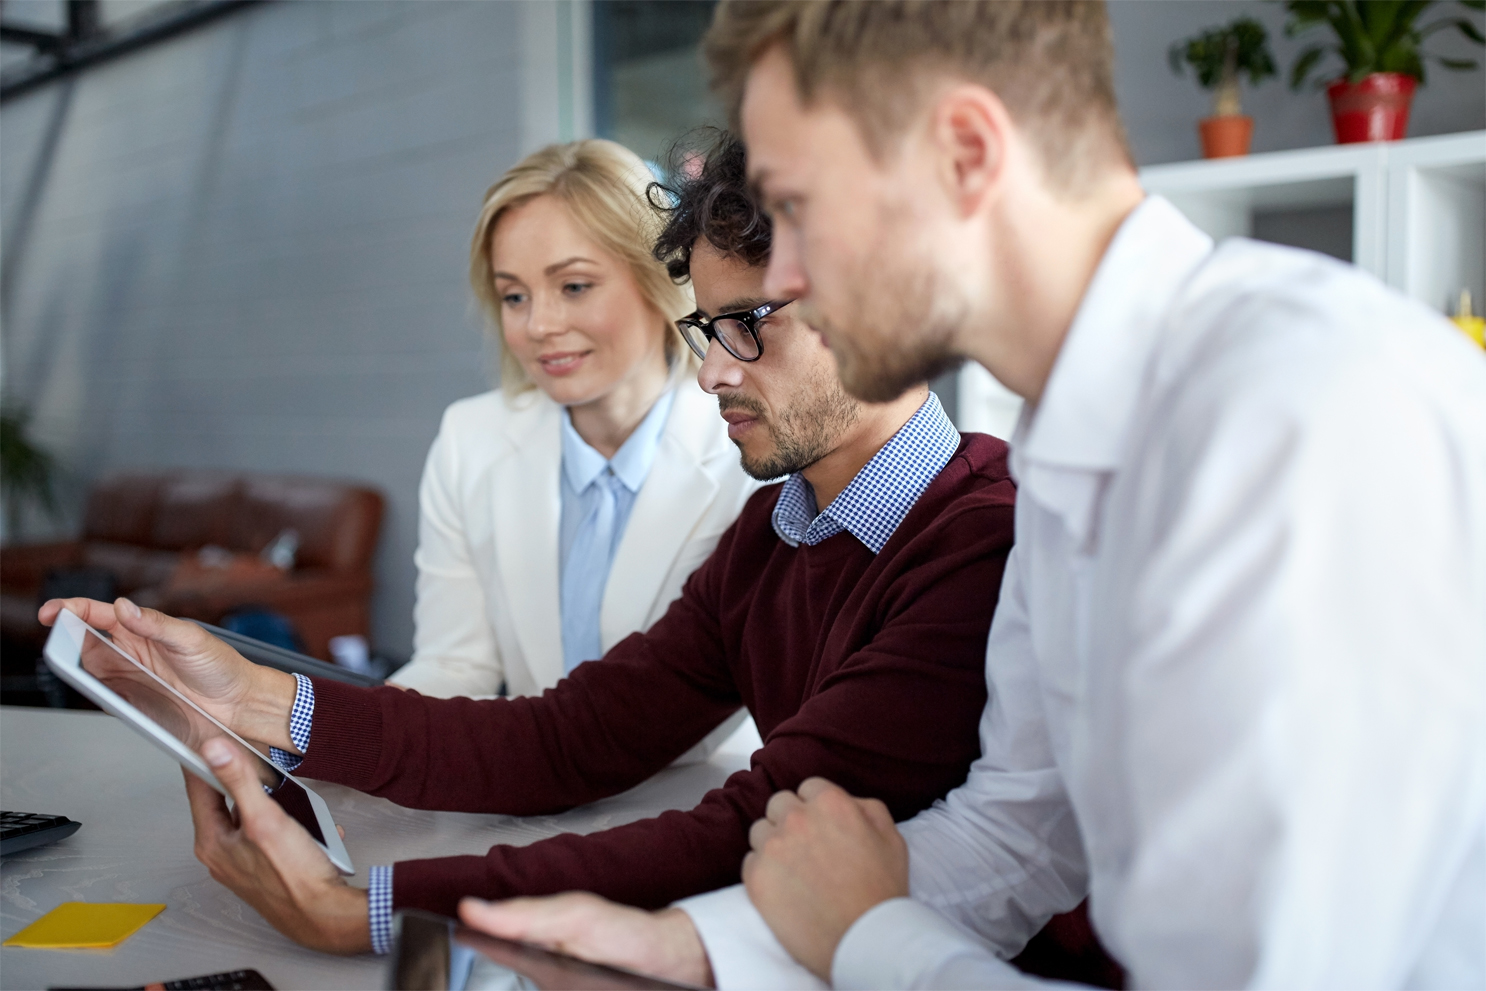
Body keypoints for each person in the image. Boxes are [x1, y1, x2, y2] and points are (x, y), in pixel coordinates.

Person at [458, 2, 1486, 988]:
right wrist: (695, 945)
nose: (795, 273)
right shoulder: (1064, 440)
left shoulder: (1294, 412)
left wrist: (869, 936)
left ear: (966, 152)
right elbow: (1020, 830)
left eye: (802, 208)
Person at [39, 129, 1020, 961]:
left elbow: (748, 827)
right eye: (707, 329)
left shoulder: (980, 542)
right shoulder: (776, 531)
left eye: (749, 326)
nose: (715, 370)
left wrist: (370, 911)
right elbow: (564, 736)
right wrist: (251, 693)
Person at [387, 140, 754, 741]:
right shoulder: (469, 439)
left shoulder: (749, 446)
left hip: (703, 798)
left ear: (656, 277)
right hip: (538, 797)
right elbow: (456, 665)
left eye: (575, 286)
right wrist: (331, 736)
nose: (539, 327)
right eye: (514, 296)